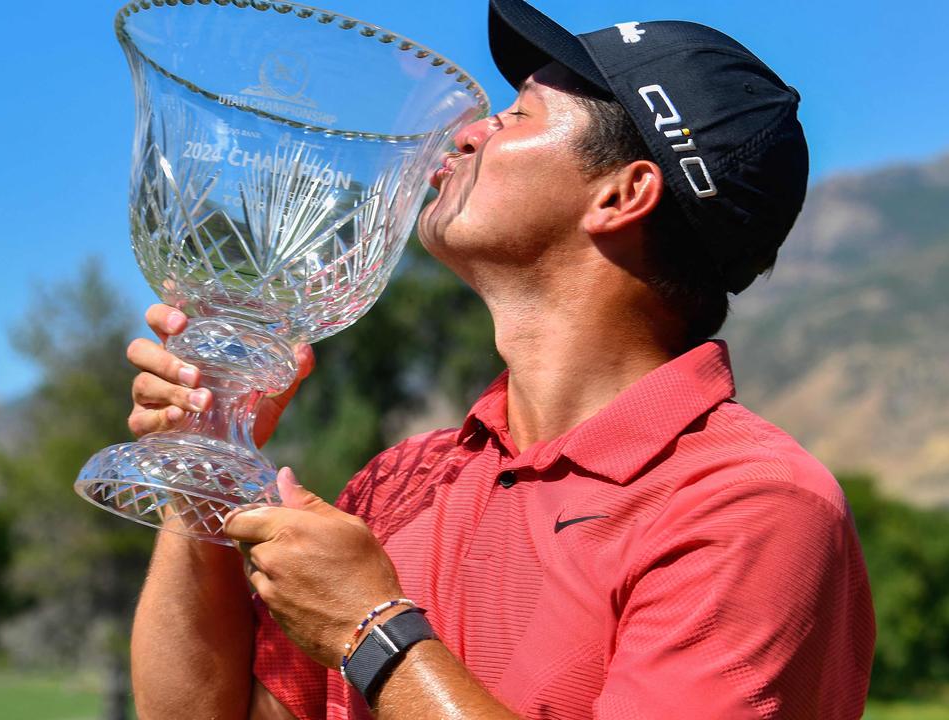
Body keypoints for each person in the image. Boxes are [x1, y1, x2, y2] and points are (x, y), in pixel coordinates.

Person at [123, 2, 875, 718]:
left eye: (517, 116)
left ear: (621, 195)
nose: (468, 132)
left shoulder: (752, 506)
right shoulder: (403, 482)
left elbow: (369, 635)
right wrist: (210, 463)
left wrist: (374, 631)